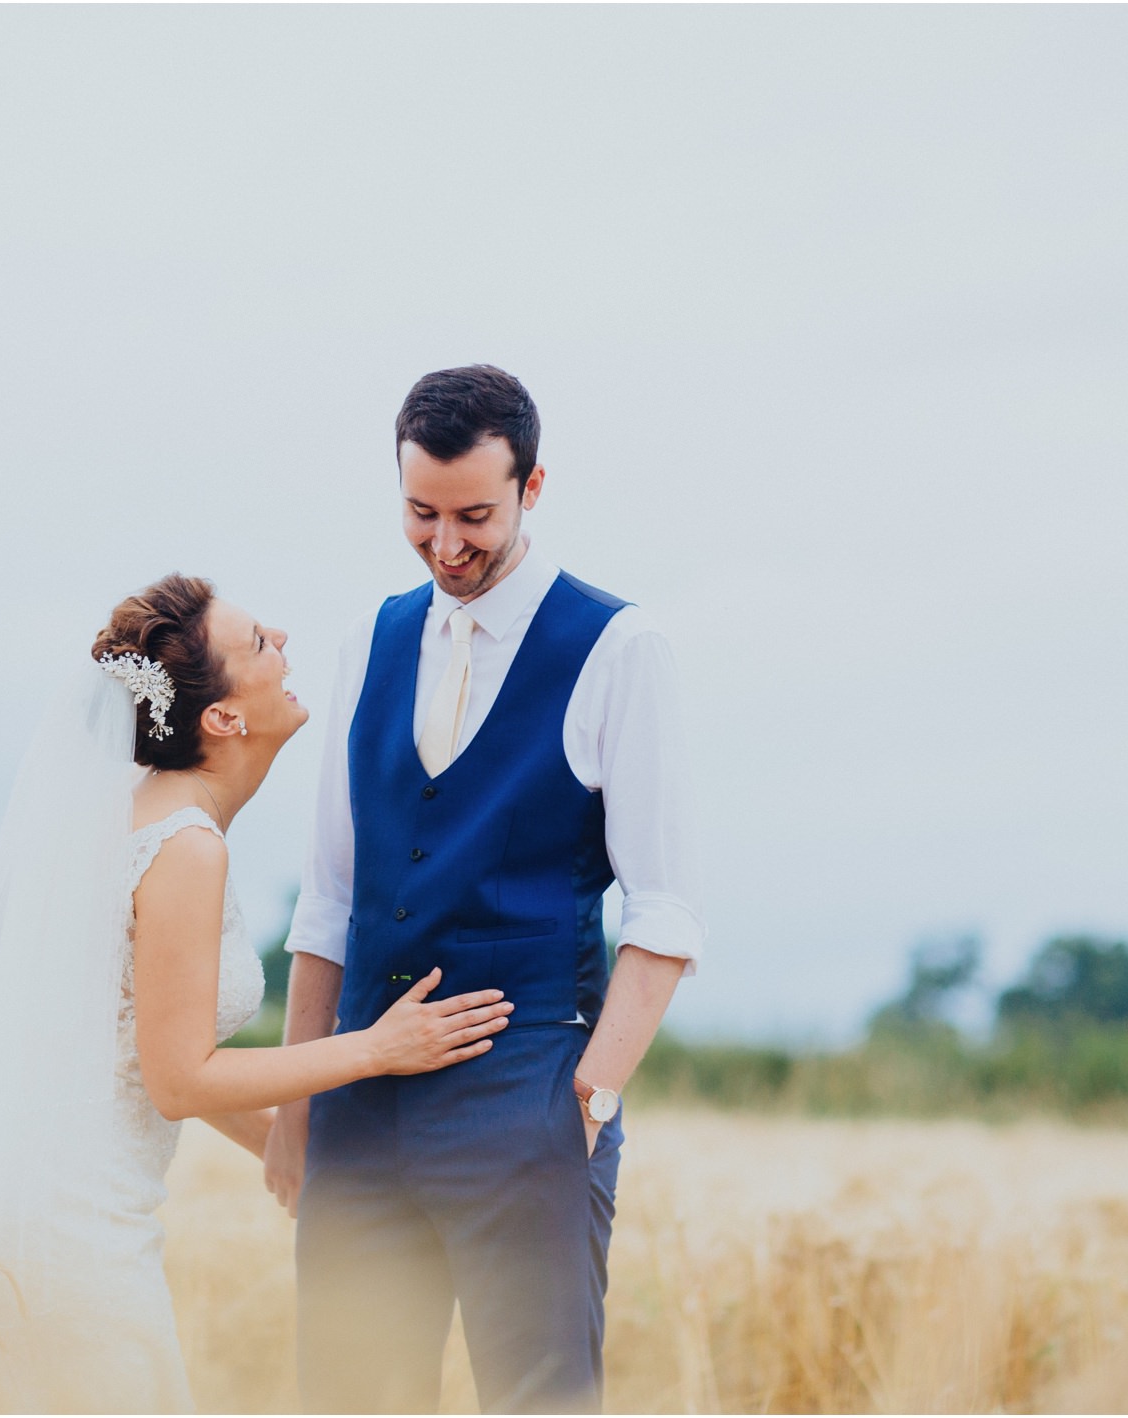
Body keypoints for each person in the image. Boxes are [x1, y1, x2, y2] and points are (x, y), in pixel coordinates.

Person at [0, 573, 517, 1413]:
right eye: (258, 642)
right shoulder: (185, 847)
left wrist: (288, 1146)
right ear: (223, 718)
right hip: (78, 1234)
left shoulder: (135, 818)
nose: (283, 640)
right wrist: (378, 1048)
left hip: (35, 1209)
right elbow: (179, 1078)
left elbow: (144, 1043)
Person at [265, 365, 704, 1413]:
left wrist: (587, 1104)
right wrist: (294, 1106)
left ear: (531, 487)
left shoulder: (619, 648)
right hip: (358, 1116)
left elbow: (664, 912)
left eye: (474, 516)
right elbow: (329, 901)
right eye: (421, 513)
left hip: (530, 1109)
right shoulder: (370, 640)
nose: (447, 544)